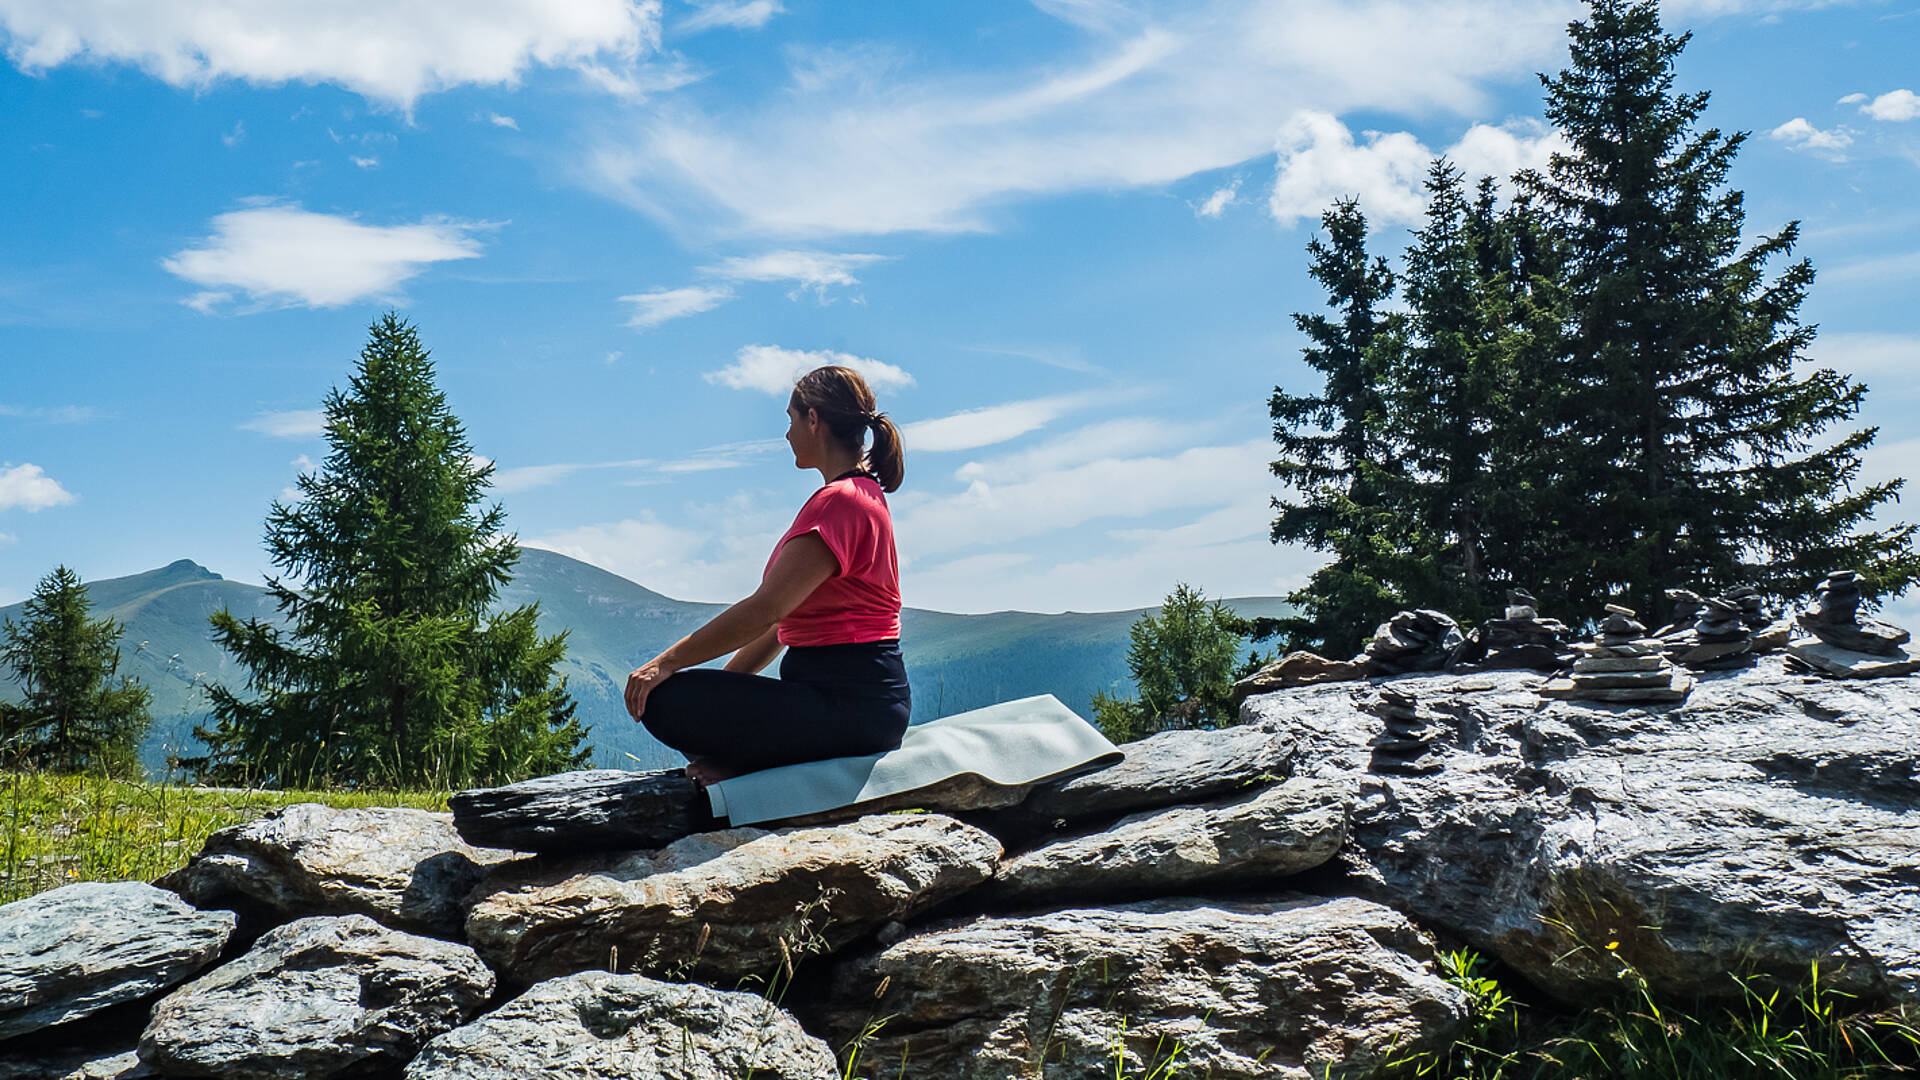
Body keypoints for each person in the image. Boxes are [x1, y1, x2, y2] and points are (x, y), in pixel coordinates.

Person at [624, 365, 910, 788]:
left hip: (850, 706)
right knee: (690, 696)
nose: (788, 433)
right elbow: (780, 624)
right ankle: (751, 764)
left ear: (813, 420)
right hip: (860, 704)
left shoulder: (840, 503)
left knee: (666, 700)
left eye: (791, 420)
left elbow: (766, 609)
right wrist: (726, 687)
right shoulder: (861, 495)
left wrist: (666, 664)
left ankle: (751, 769)